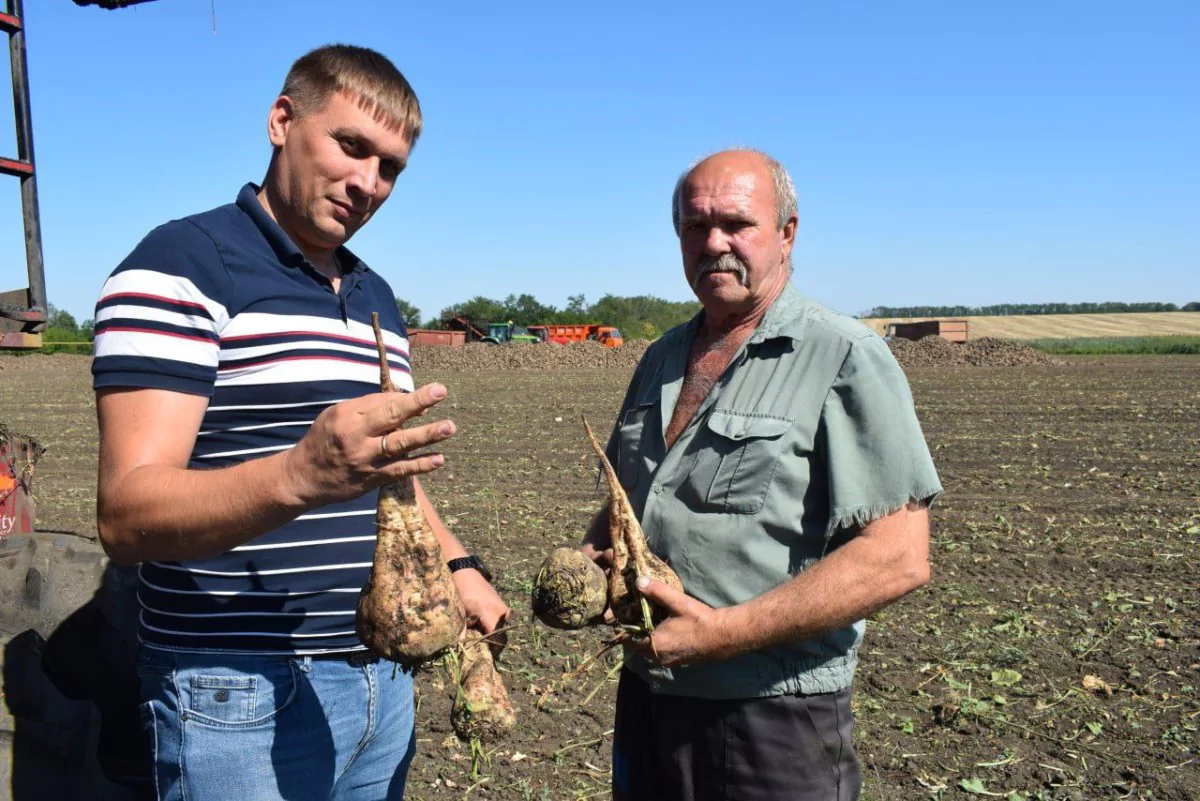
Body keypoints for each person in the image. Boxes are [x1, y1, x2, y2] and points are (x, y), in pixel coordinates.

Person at [91, 45, 509, 801]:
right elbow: (126, 516)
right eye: (351, 146)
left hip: (382, 684)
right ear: (282, 121)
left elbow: (390, 481)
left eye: (390, 168)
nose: (368, 183)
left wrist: (457, 564)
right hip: (234, 694)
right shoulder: (182, 264)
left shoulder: (376, 293)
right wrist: (298, 474)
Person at [582, 149, 942, 801]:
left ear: (787, 233)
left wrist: (719, 634)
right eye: (695, 226)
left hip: (769, 721)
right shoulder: (661, 356)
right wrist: (586, 566)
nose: (714, 242)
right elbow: (622, 505)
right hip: (647, 699)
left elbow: (898, 557)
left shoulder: (844, 356)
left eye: (736, 223)